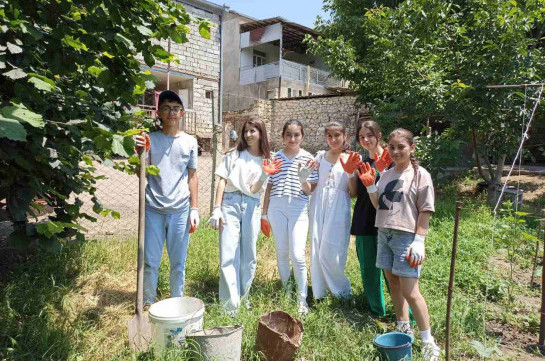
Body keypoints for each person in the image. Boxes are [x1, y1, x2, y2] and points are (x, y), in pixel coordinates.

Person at [357, 128, 441, 361]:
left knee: (411, 291)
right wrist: (371, 187)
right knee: (393, 283)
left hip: (406, 236)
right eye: (392, 147)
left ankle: (427, 341)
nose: (395, 151)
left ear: (412, 148)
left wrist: (419, 241)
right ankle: (403, 326)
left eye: (401, 147)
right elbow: (379, 206)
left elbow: (425, 209)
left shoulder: (420, 174)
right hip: (384, 233)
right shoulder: (386, 173)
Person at [134, 90, 200, 306]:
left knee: (178, 263)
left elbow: (192, 176)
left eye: (175, 108)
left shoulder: (190, 142)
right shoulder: (150, 140)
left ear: (181, 113)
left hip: (180, 210)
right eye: (166, 108)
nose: (171, 112)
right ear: (158, 113)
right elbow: (140, 173)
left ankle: (176, 303)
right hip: (153, 209)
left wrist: (194, 209)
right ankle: (147, 303)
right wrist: (139, 154)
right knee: (150, 262)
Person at [208, 119, 281, 314]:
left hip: (251, 205)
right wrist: (217, 208)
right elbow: (222, 181)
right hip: (230, 204)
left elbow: (255, 190)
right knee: (228, 253)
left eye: (253, 131)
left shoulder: (267, 159)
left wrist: (264, 175)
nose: (248, 135)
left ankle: (243, 297)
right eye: (246, 131)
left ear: (261, 133)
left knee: (249, 255)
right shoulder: (234, 155)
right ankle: (230, 305)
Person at [263, 120, 318, 315]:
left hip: (298, 207)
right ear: (283, 136)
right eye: (288, 135)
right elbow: (269, 186)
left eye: (296, 135)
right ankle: (287, 291)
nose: (292, 139)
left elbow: (310, 190)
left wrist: (303, 179)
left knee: (297, 254)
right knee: (282, 252)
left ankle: (302, 299)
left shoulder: (309, 158)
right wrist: (264, 213)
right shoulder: (276, 157)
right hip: (277, 206)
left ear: (302, 136)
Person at [309, 121, 359, 300]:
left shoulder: (352, 158)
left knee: (332, 251)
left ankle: (342, 292)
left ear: (345, 136)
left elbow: (353, 193)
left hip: (339, 207)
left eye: (337, 135)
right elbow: (312, 185)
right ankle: (319, 292)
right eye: (329, 136)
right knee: (316, 249)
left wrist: (351, 173)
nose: (333, 139)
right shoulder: (320, 157)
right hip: (317, 205)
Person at [349, 120, 393, 317]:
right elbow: (354, 193)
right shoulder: (363, 164)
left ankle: (406, 314)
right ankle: (377, 311)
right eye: (361, 137)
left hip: (390, 222)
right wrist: (350, 173)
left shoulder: (394, 160)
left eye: (369, 135)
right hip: (364, 219)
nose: (365, 140)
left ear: (379, 135)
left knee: (392, 270)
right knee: (369, 268)